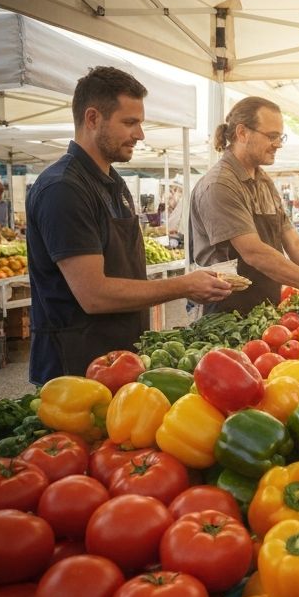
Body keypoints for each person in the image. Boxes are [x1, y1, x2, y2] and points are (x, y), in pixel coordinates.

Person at [25, 66, 232, 385]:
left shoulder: (113, 183)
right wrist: (183, 285)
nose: (140, 134)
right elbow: (94, 294)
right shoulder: (63, 188)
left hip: (118, 356)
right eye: (129, 122)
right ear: (92, 118)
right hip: (74, 367)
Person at [190, 95, 299, 315]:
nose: (278, 144)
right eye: (272, 136)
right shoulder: (220, 185)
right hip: (227, 313)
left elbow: (294, 243)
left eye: (281, 137)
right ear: (242, 133)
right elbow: (255, 253)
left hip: (263, 307)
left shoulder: (263, 181)